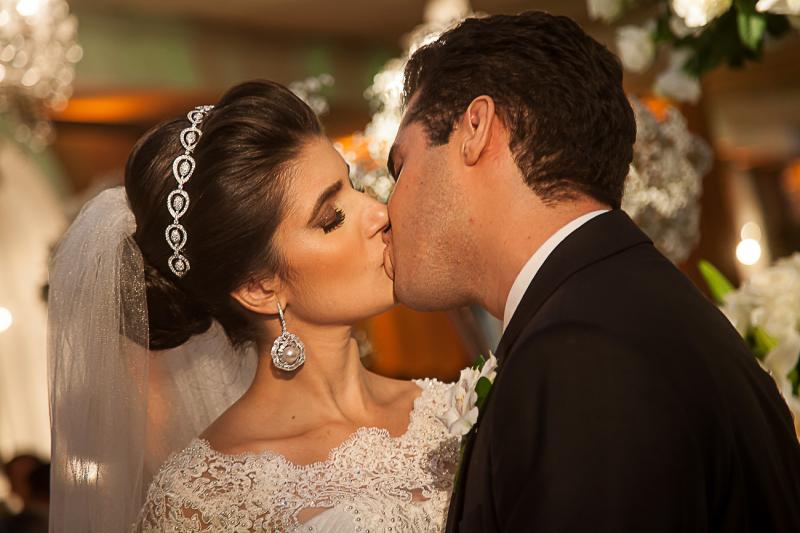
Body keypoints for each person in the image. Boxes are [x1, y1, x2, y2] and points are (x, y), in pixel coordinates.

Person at [383, 10, 800, 533]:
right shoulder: (629, 306)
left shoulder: (579, 354)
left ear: (476, 128)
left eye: (399, 167)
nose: (385, 210)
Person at [47, 80, 459, 532]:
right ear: (260, 287)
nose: (379, 213)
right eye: (331, 218)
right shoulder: (201, 501)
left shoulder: (452, 412)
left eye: (354, 186)